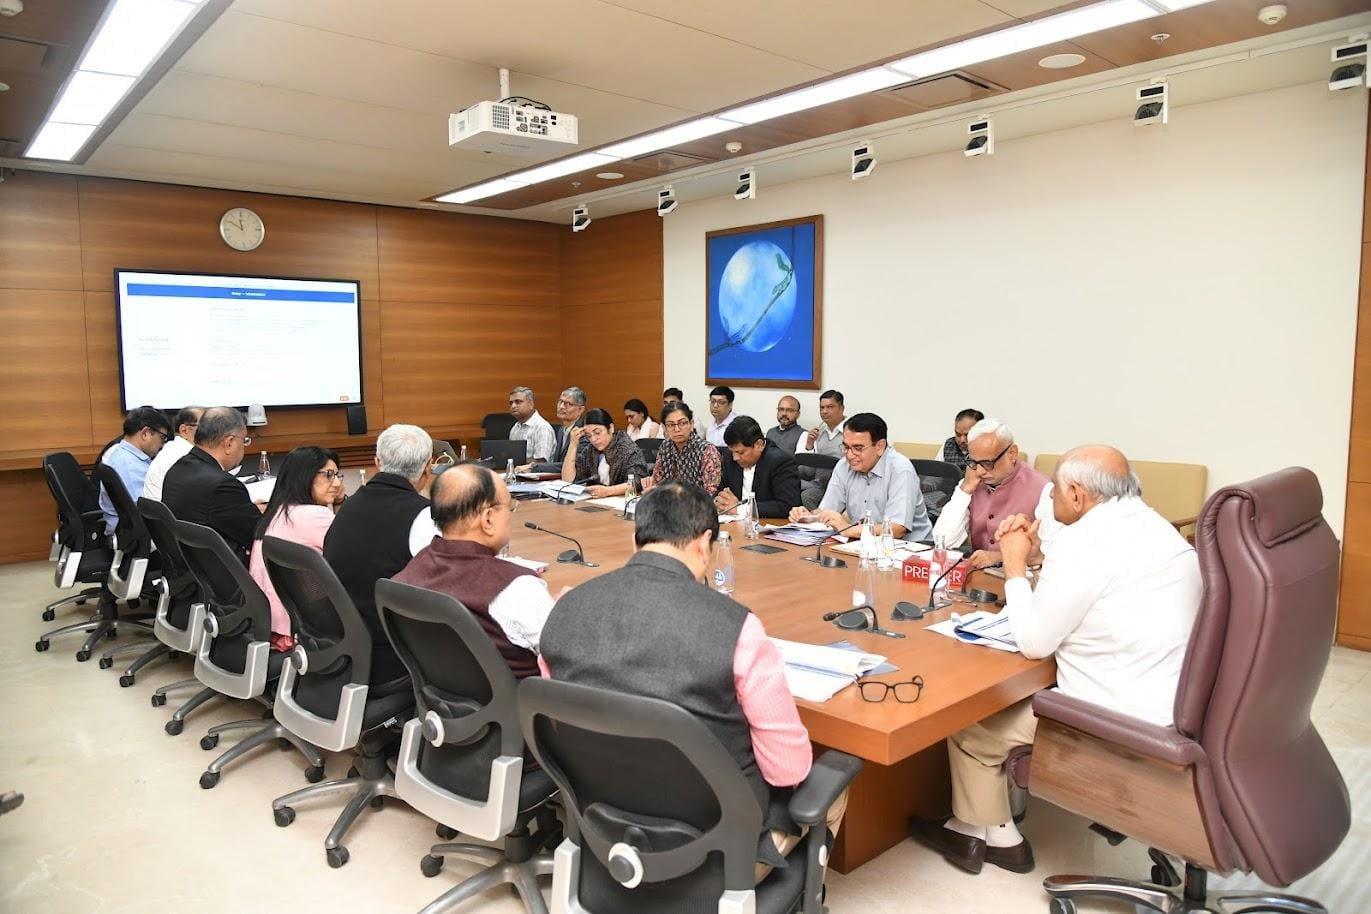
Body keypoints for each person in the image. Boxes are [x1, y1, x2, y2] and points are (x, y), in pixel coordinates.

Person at [909, 446, 1202, 876]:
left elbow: (1034, 642)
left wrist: (1014, 566)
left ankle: (980, 833)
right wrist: (1037, 553)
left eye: (1056, 492)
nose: (1048, 499)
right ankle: (994, 830)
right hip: (1173, 705)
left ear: (1078, 495)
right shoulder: (1154, 527)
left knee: (973, 726)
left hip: (1117, 723)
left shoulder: (1087, 545)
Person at [539, 481, 845, 882]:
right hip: (714, 850)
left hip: (599, 825)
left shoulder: (563, 610)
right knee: (832, 786)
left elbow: (558, 728)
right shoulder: (738, 629)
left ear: (635, 540)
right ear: (704, 543)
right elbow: (787, 771)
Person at [394, 464, 558, 678]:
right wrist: (565, 612)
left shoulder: (411, 571)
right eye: (509, 507)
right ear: (488, 519)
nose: (510, 515)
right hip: (524, 699)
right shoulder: (519, 590)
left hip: (439, 696)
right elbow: (572, 656)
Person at [323, 424, 437, 686]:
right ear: (428, 468)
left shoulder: (348, 506)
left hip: (343, 643)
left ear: (377, 463)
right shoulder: (425, 517)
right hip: (393, 655)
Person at [247, 446, 345, 651]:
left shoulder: (277, 511)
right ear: (304, 476)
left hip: (273, 625)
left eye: (337, 475)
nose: (337, 483)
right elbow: (354, 553)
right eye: (328, 475)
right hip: (307, 629)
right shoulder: (314, 516)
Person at [790, 412, 932, 542]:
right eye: (846, 447)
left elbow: (897, 528)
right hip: (864, 544)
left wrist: (848, 529)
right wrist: (808, 517)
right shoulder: (843, 466)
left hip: (912, 549)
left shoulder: (900, 469)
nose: (850, 455)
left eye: (858, 448)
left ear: (880, 446)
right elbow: (828, 512)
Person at [931, 418, 1052, 568]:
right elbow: (943, 542)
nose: (980, 471)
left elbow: (1052, 554)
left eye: (988, 463)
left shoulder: (1044, 489)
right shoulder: (971, 482)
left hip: (1024, 576)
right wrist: (965, 490)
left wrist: (998, 557)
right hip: (978, 576)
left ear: (1012, 453)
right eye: (974, 462)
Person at [161, 407, 264, 556]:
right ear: (229, 443)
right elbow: (258, 535)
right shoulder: (223, 486)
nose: (244, 447)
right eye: (244, 440)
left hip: (190, 563)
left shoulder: (178, 468)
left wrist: (246, 509)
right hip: (227, 566)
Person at [97, 406, 172, 532]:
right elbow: (147, 512)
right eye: (162, 438)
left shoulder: (118, 451)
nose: (162, 445)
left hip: (125, 528)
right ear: (145, 433)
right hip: (135, 532)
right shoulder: (130, 467)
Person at [718, 416, 801, 518]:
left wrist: (740, 508)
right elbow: (721, 491)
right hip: (733, 523)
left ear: (759, 445)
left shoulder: (780, 462)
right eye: (732, 452)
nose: (735, 458)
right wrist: (720, 501)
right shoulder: (729, 457)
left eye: (741, 452)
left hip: (767, 523)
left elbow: (788, 505)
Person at [562, 407, 650, 497]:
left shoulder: (628, 449)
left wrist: (608, 491)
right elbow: (567, 481)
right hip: (595, 501)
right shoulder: (590, 450)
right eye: (588, 436)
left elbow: (637, 481)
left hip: (621, 501)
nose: (593, 439)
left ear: (611, 428)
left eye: (597, 433)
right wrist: (573, 445)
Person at [643, 401, 721, 495]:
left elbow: (711, 492)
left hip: (697, 502)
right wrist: (651, 489)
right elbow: (657, 482)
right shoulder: (665, 447)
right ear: (664, 428)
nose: (677, 429)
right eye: (671, 425)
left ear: (691, 424)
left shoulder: (707, 450)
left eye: (682, 423)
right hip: (668, 501)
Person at [796, 389, 847, 510]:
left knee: (808, 495)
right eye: (822, 407)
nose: (824, 411)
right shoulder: (820, 431)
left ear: (842, 408)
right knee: (793, 486)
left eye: (830, 407)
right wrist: (810, 444)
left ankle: (824, 519)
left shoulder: (850, 431)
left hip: (842, 484)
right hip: (820, 482)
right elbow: (810, 467)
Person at [143, 406, 203, 502]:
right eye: (204, 427)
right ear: (184, 430)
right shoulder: (182, 456)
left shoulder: (173, 448)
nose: (210, 431)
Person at [508, 386, 556, 462]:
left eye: (518, 402)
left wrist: (518, 463)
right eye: (511, 403)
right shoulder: (515, 428)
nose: (513, 406)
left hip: (536, 470)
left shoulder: (542, 427)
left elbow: (541, 461)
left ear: (531, 404)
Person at [551, 386, 588, 464]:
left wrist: (534, 467)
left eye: (568, 404)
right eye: (560, 401)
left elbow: (573, 465)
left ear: (580, 410)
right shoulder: (561, 430)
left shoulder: (583, 433)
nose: (561, 407)